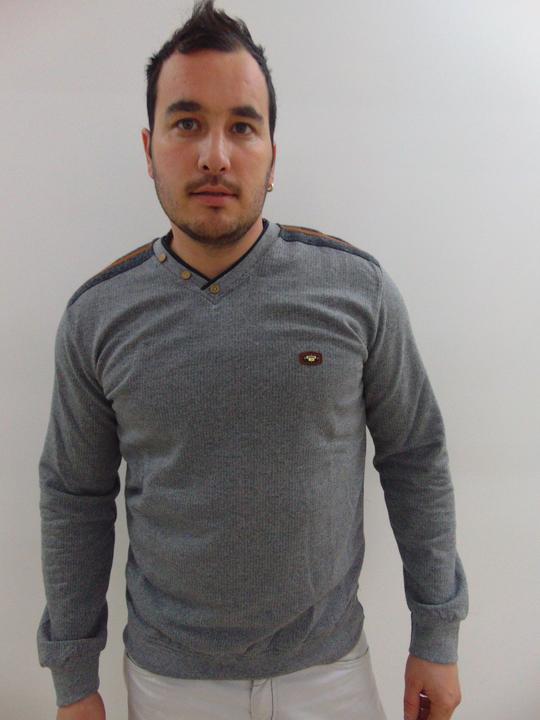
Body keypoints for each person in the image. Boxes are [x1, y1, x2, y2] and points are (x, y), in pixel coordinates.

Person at [36, 1, 468, 719]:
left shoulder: (356, 290)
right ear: (149, 148)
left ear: (273, 153)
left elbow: (415, 456)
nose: (215, 155)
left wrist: (438, 634)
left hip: (331, 674)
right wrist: (73, 681)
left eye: (242, 126)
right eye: (186, 123)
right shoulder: (97, 317)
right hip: (170, 684)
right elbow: (74, 499)